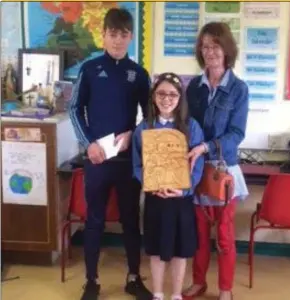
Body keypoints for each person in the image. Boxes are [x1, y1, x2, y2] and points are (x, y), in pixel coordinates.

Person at [69, 8, 152, 300]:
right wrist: (88, 143)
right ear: (103, 35)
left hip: (128, 161)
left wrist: (134, 134)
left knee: (131, 219)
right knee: (94, 220)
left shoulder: (139, 74)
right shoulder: (90, 70)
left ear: (130, 37)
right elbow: (74, 108)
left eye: (123, 35)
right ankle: (91, 280)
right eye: (112, 34)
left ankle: (133, 277)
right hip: (98, 160)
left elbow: (151, 116)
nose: (118, 40)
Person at [182, 22, 250, 300]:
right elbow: (184, 126)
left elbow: (236, 133)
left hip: (223, 173)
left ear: (226, 49)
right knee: (198, 236)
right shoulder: (193, 88)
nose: (210, 52)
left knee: (224, 236)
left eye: (215, 45)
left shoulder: (238, 89)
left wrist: (205, 147)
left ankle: (225, 289)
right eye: (205, 46)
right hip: (196, 171)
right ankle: (199, 283)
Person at [132, 72, 205, 300]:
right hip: (155, 198)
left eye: (172, 94)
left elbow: (198, 164)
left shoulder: (191, 127)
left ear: (180, 98)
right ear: (153, 96)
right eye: (161, 93)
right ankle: (158, 293)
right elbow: (137, 164)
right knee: (155, 250)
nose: (166, 99)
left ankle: (175, 294)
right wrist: (150, 184)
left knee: (179, 252)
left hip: (180, 200)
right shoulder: (143, 128)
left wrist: (184, 189)